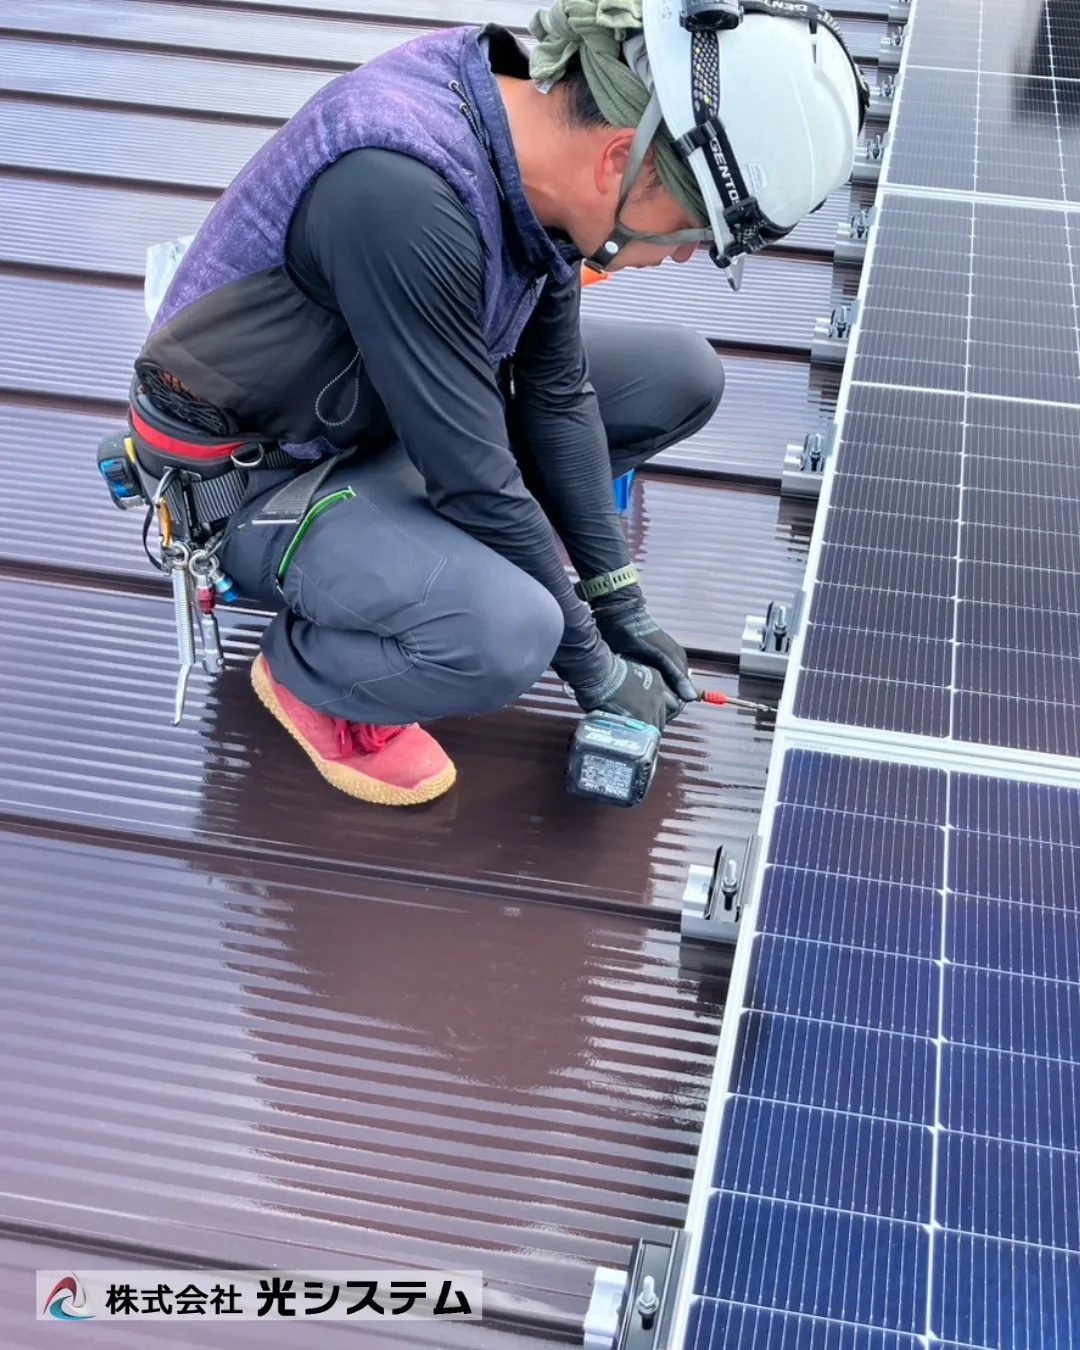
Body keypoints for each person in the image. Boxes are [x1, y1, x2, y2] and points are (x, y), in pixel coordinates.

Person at [121, 0, 866, 807]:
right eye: (688, 228)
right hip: (263, 479)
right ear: (621, 157)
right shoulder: (401, 191)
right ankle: (315, 676)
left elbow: (554, 391)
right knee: (510, 631)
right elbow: (472, 477)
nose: (682, 254)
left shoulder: (527, 142)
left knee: (679, 374)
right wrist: (595, 667)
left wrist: (619, 599)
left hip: (388, 408)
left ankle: (436, 556)